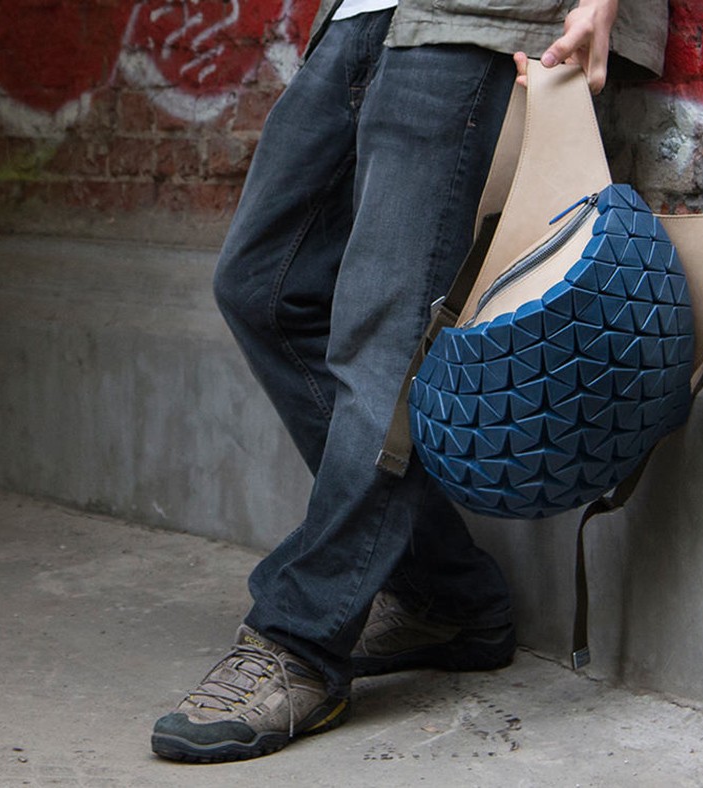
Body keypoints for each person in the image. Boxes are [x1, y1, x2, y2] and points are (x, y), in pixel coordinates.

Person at [151, 0, 667, 764]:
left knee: (385, 336)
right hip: (363, 15)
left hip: (481, 18)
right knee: (262, 288)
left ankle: (302, 640)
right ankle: (449, 595)